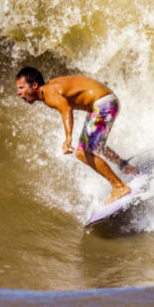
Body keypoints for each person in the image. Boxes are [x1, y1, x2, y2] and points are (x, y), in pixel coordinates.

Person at [15, 66, 139, 204]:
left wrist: (68, 139)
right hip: (107, 102)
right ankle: (127, 168)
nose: (18, 92)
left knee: (82, 152)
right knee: (96, 146)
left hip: (103, 104)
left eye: (21, 88)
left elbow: (66, 110)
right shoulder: (53, 86)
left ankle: (119, 186)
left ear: (34, 85)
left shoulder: (48, 93)